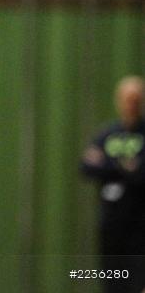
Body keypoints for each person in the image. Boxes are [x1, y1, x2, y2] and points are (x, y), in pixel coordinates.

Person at [80, 75, 145, 293]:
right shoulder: (107, 134)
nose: (131, 105)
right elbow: (86, 167)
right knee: (112, 279)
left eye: (136, 99)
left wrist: (107, 164)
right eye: (127, 99)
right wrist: (123, 166)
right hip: (111, 222)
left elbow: (141, 175)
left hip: (139, 223)